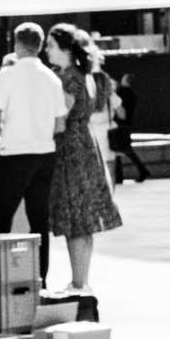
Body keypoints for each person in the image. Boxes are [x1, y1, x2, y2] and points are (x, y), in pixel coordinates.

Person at [0, 21, 66, 284]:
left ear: (17, 44)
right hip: (45, 152)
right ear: (40, 45)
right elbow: (60, 124)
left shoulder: (8, 74)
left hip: (15, 153)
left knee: (1, 218)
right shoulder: (52, 78)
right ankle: (41, 278)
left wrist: (6, 132)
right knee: (39, 219)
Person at [45, 23, 123, 292]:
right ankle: (82, 280)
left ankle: (78, 282)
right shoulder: (84, 75)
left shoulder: (66, 78)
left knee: (76, 219)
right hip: (86, 146)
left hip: (71, 150)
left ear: (66, 49)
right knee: (84, 220)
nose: (47, 50)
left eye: (51, 45)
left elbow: (60, 118)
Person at [109, 71, 151, 184]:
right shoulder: (132, 94)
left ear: (125, 80)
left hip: (118, 124)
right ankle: (137, 171)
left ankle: (123, 175)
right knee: (124, 149)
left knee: (119, 149)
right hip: (126, 124)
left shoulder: (120, 92)